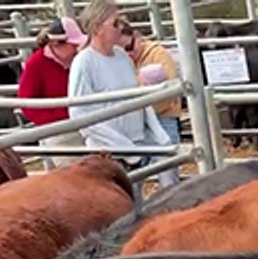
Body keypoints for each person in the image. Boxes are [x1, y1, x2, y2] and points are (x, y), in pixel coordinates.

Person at [67, 0, 177, 187]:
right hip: (110, 149)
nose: (120, 28)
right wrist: (123, 147)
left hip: (138, 139)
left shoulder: (121, 56)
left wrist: (158, 136)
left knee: (164, 178)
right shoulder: (84, 62)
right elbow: (80, 113)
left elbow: (138, 96)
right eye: (115, 23)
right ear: (97, 28)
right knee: (126, 201)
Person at [17, 17, 89, 168]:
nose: (77, 48)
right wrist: (55, 121)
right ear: (57, 44)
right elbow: (27, 103)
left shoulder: (80, 60)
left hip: (84, 124)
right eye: (73, 44)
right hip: (58, 131)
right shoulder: (36, 64)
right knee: (74, 173)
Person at [119, 17, 183, 165]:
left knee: (166, 167)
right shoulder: (120, 61)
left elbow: (171, 88)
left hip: (163, 117)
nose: (128, 53)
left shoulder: (158, 54)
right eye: (121, 50)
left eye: (129, 47)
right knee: (135, 170)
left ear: (137, 37)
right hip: (135, 123)